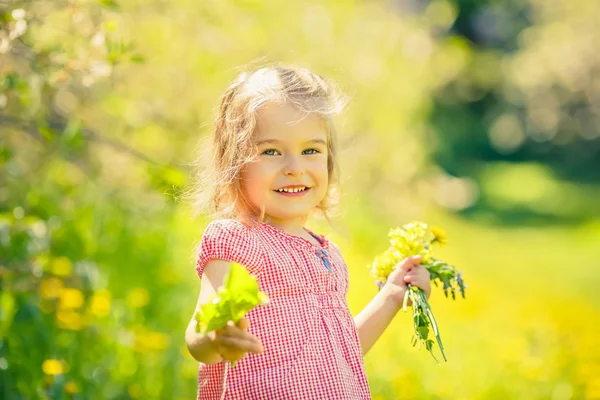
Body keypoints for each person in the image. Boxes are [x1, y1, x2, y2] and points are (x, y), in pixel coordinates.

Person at [184, 65, 432, 400]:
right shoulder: (237, 241)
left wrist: (390, 297)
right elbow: (200, 331)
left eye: (310, 150)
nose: (294, 168)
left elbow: (340, 355)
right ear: (235, 162)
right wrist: (216, 338)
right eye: (270, 151)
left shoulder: (327, 254)